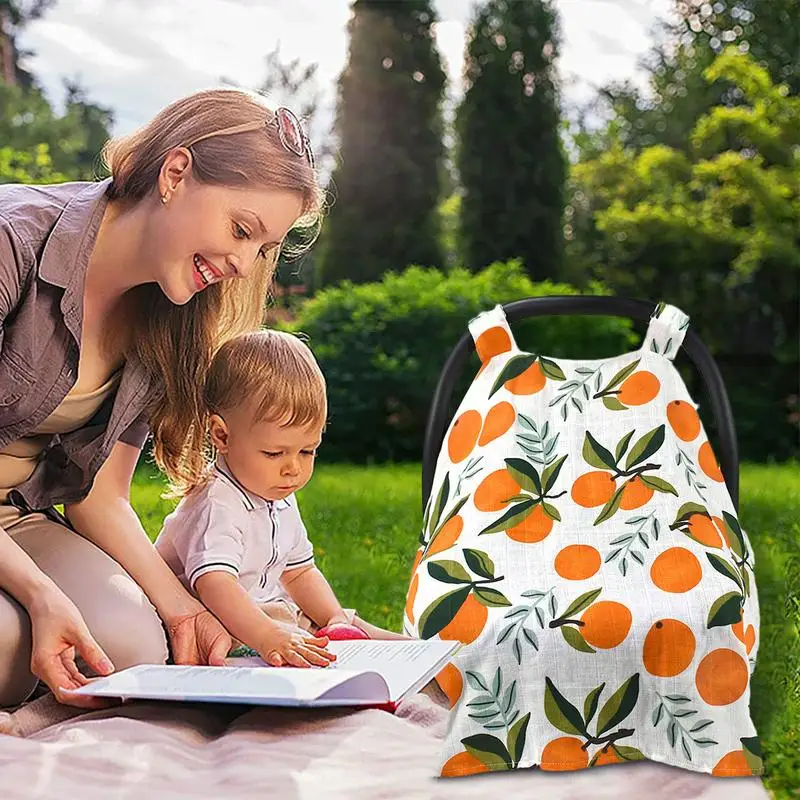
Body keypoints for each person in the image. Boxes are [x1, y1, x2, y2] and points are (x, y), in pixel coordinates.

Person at [0, 88, 324, 709]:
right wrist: (42, 594)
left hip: (17, 518)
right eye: (240, 229)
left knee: (134, 644)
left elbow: (100, 497)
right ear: (175, 173)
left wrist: (182, 611)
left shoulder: (170, 318)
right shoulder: (14, 242)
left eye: (262, 249)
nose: (241, 262)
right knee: (22, 639)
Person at [155, 330, 407, 669]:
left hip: (267, 610)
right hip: (216, 620)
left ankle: (423, 654)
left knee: (346, 627)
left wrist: (334, 618)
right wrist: (269, 636)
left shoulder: (277, 493)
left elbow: (300, 572)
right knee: (293, 642)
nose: (293, 468)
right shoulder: (217, 503)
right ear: (222, 435)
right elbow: (215, 585)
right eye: (274, 453)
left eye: (308, 451)